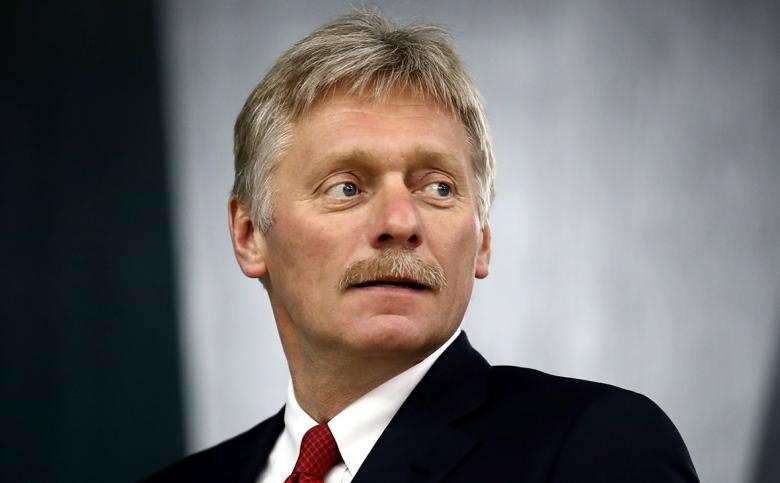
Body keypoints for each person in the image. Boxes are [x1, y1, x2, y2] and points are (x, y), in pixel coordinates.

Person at [145, 9, 699, 483]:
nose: (401, 222)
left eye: (438, 188)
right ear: (249, 235)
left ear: (482, 240)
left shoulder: (598, 447)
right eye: (346, 187)